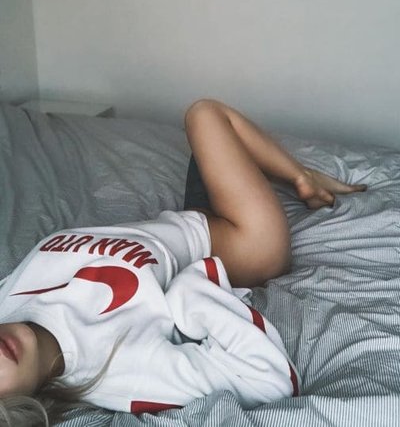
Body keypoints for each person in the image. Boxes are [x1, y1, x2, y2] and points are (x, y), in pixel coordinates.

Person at [0, 99, 367, 426]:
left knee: (206, 118)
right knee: (206, 115)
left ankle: (285, 176)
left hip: (188, 217)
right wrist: (190, 291)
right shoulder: (115, 372)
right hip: (244, 242)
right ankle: (304, 178)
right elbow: (267, 380)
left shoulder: (8, 303)